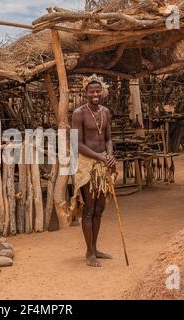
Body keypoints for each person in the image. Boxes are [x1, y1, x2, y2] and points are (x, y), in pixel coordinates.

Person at [70, 74, 117, 267]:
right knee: (88, 210)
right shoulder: (78, 114)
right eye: (92, 91)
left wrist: (110, 155)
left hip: (102, 164)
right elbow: (77, 144)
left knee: (100, 208)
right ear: (86, 93)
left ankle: (95, 247)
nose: (95, 94)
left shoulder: (106, 112)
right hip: (87, 164)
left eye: (98, 91)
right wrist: (100, 157)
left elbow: (108, 139)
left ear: (102, 92)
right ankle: (89, 252)